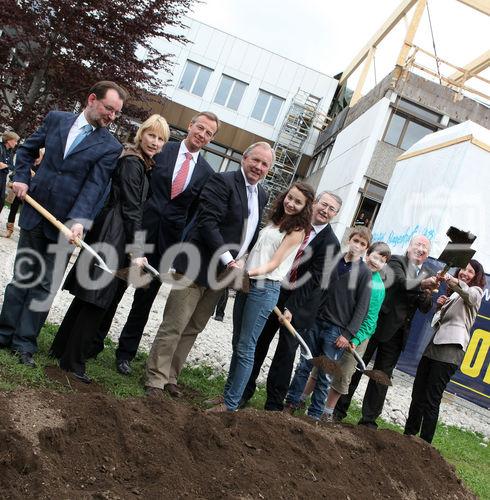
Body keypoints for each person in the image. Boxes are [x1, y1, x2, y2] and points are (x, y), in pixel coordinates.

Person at [0, 81, 127, 367]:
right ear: (92, 99)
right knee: (23, 277)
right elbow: (28, 149)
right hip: (35, 212)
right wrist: (21, 176)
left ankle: (25, 342)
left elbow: (94, 187)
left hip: (66, 228)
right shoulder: (57, 119)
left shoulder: (109, 146)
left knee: (45, 287)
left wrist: (79, 222)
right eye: (109, 109)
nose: (112, 117)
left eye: (117, 113)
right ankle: (4, 332)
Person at [145, 141, 272, 398]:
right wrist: (229, 259)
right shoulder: (222, 181)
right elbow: (207, 222)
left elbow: (249, 233)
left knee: (194, 326)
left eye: (264, 164)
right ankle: (155, 378)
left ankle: (171, 376)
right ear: (243, 158)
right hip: (196, 264)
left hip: (223, 274)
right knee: (175, 323)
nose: (258, 167)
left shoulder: (262, 195)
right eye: (255, 160)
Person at [49, 115, 169, 382]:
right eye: (152, 135)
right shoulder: (132, 163)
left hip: (112, 230)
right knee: (97, 300)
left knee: (90, 297)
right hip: (114, 234)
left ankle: (61, 350)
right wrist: (137, 249)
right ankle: (73, 363)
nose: (155, 142)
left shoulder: (138, 162)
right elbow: (131, 208)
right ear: (142, 133)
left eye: (161, 139)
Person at [100, 111, 218, 376]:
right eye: (200, 128)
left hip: (168, 243)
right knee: (115, 289)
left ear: (211, 139)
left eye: (209, 133)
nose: (202, 135)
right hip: (138, 231)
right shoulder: (163, 150)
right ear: (190, 126)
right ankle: (96, 340)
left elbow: (195, 214)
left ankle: (125, 354)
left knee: (144, 300)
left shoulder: (207, 173)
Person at [208, 182, 315, 413]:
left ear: (305, 207)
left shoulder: (297, 231)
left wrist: (247, 272)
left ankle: (231, 403)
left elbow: (274, 263)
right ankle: (228, 394)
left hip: (265, 288)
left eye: (298, 202)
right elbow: (256, 251)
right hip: (248, 283)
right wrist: (241, 264)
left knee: (247, 347)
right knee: (238, 342)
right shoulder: (276, 221)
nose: (291, 203)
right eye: (290, 197)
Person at [240, 191, 342, 411]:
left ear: (336, 214)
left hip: (300, 305)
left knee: (284, 356)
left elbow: (316, 280)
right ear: (314, 204)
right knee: (258, 344)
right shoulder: (295, 225)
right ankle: (243, 393)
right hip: (273, 289)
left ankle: (273, 405)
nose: (325, 210)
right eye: (323, 204)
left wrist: (291, 308)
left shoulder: (331, 243)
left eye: (332, 209)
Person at [334, 235, 438, 428]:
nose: (421, 249)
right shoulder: (397, 261)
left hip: (398, 334)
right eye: (418, 245)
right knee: (357, 367)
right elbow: (400, 281)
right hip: (378, 325)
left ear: (428, 255)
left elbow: (424, 307)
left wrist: (427, 294)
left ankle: (368, 420)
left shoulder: (428, 272)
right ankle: (338, 410)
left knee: (381, 377)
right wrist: (423, 285)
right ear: (409, 247)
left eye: (425, 248)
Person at [284, 227, 373, 420]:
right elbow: (317, 287)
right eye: (355, 241)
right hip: (316, 321)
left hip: (337, 330)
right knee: (304, 365)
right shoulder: (334, 261)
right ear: (349, 240)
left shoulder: (364, 273)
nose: (357, 246)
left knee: (325, 374)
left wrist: (348, 334)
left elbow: (362, 308)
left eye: (362, 244)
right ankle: (291, 403)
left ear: (366, 248)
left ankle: (314, 415)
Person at [404, 260, 485, 443]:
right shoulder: (453, 295)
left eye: (470, 271)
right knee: (418, 393)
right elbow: (439, 321)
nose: (465, 273)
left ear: (477, 276)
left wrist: (451, 279)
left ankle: (424, 443)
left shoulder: (476, 292)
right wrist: (440, 307)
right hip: (434, 345)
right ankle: (408, 436)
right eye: (463, 269)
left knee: (432, 398)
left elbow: (469, 295)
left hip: (451, 349)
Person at [321, 242, 391, 420]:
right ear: (368, 254)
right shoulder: (353, 271)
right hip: (340, 326)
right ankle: (302, 398)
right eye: (375, 256)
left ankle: (328, 412)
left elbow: (370, 319)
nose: (376, 262)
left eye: (382, 261)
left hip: (358, 337)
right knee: (322, 366)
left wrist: (356, 338)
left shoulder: (377, 287)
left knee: (343, 374)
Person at [4, 148, 44, 239]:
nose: (37, 159)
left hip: (31, 194)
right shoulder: (27, 164)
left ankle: (23, 233)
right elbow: (15, 174)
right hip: (19, 191)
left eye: (39, 157)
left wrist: (34, 176)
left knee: (25, 213)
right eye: (36, 157)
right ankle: (9, 230)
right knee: (13, 209)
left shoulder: (42, 168)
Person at [0, 131, 20, 221]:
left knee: (1, 201)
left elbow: (12, 166)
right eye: (15, 141)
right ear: (9, 140)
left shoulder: (10, 152)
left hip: (3, 178)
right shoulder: (0, 147)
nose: (16, 143)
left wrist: (5, 165)